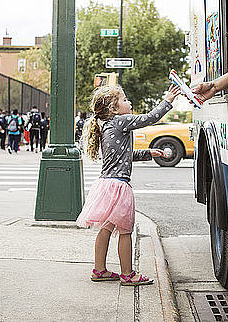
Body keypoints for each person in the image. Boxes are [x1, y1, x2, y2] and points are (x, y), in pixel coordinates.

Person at [76, 84, 180, 285]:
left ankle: (99, 270)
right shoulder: (120, 121)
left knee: (106, 228)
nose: (129, 102)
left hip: (106, 184)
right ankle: (128, 274)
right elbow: (149, 118)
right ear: (114, 109)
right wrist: (167, 100)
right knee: (125, 231)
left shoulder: (107, 125)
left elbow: (124, 156)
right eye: (124, 100)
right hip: (119, 186)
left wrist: (148, 153)